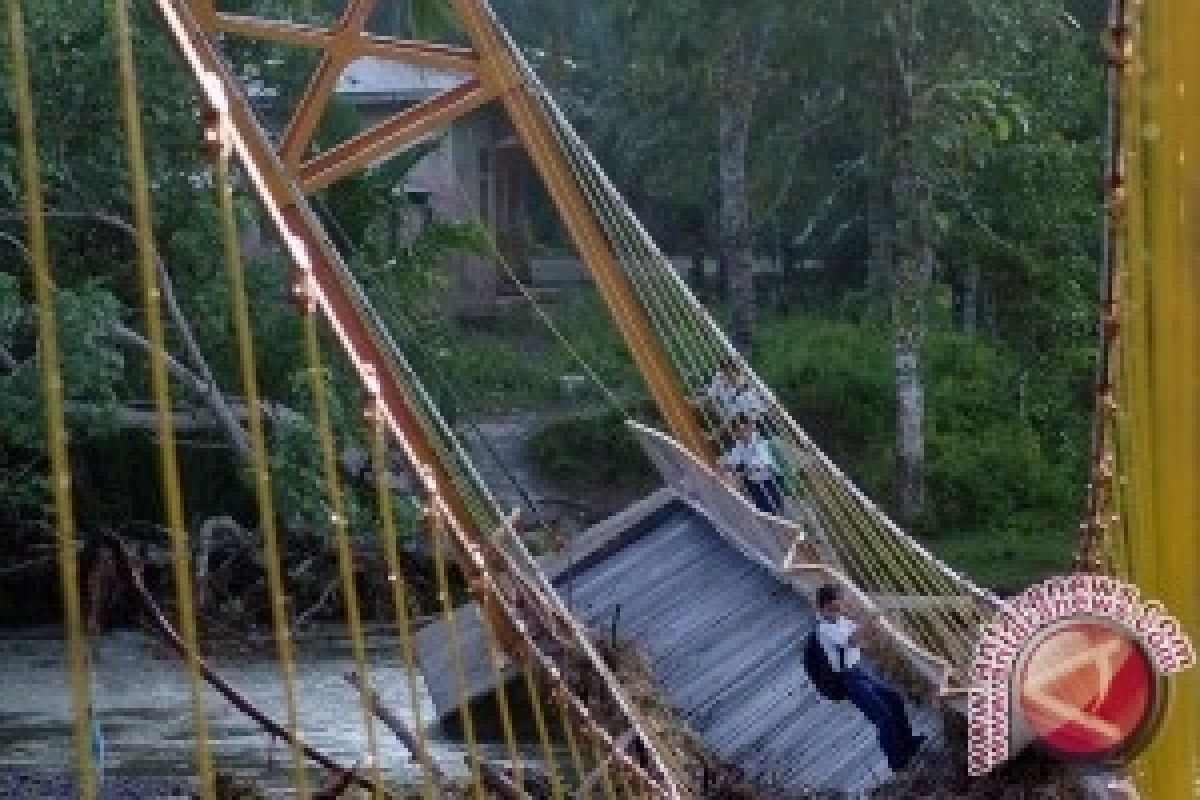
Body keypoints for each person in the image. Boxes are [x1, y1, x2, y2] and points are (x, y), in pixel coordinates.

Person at [815, 584, 926, 772]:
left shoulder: (839, 620)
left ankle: (908, 744)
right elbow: (852, 639)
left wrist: (874, 626)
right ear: (825, 607)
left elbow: (861, 637)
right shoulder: (824, 628)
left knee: (894, 700)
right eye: (837, 605)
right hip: (849, 679)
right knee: (882, 717)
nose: (841, 608)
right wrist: (871, 620)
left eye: (841, 603)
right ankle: (898, 763)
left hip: (860, 671)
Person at [719, 415, 784, 515]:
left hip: (768, 480)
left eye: (745, 427)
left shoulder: (759, 441)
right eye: (738, 430)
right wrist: (724, 467)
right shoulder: (740, 444)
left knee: (773, 510)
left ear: (750, 427)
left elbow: (762, 466)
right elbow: (730, 460)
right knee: (761, 510)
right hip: (753, 482)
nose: (742, 432)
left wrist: (740, 473)